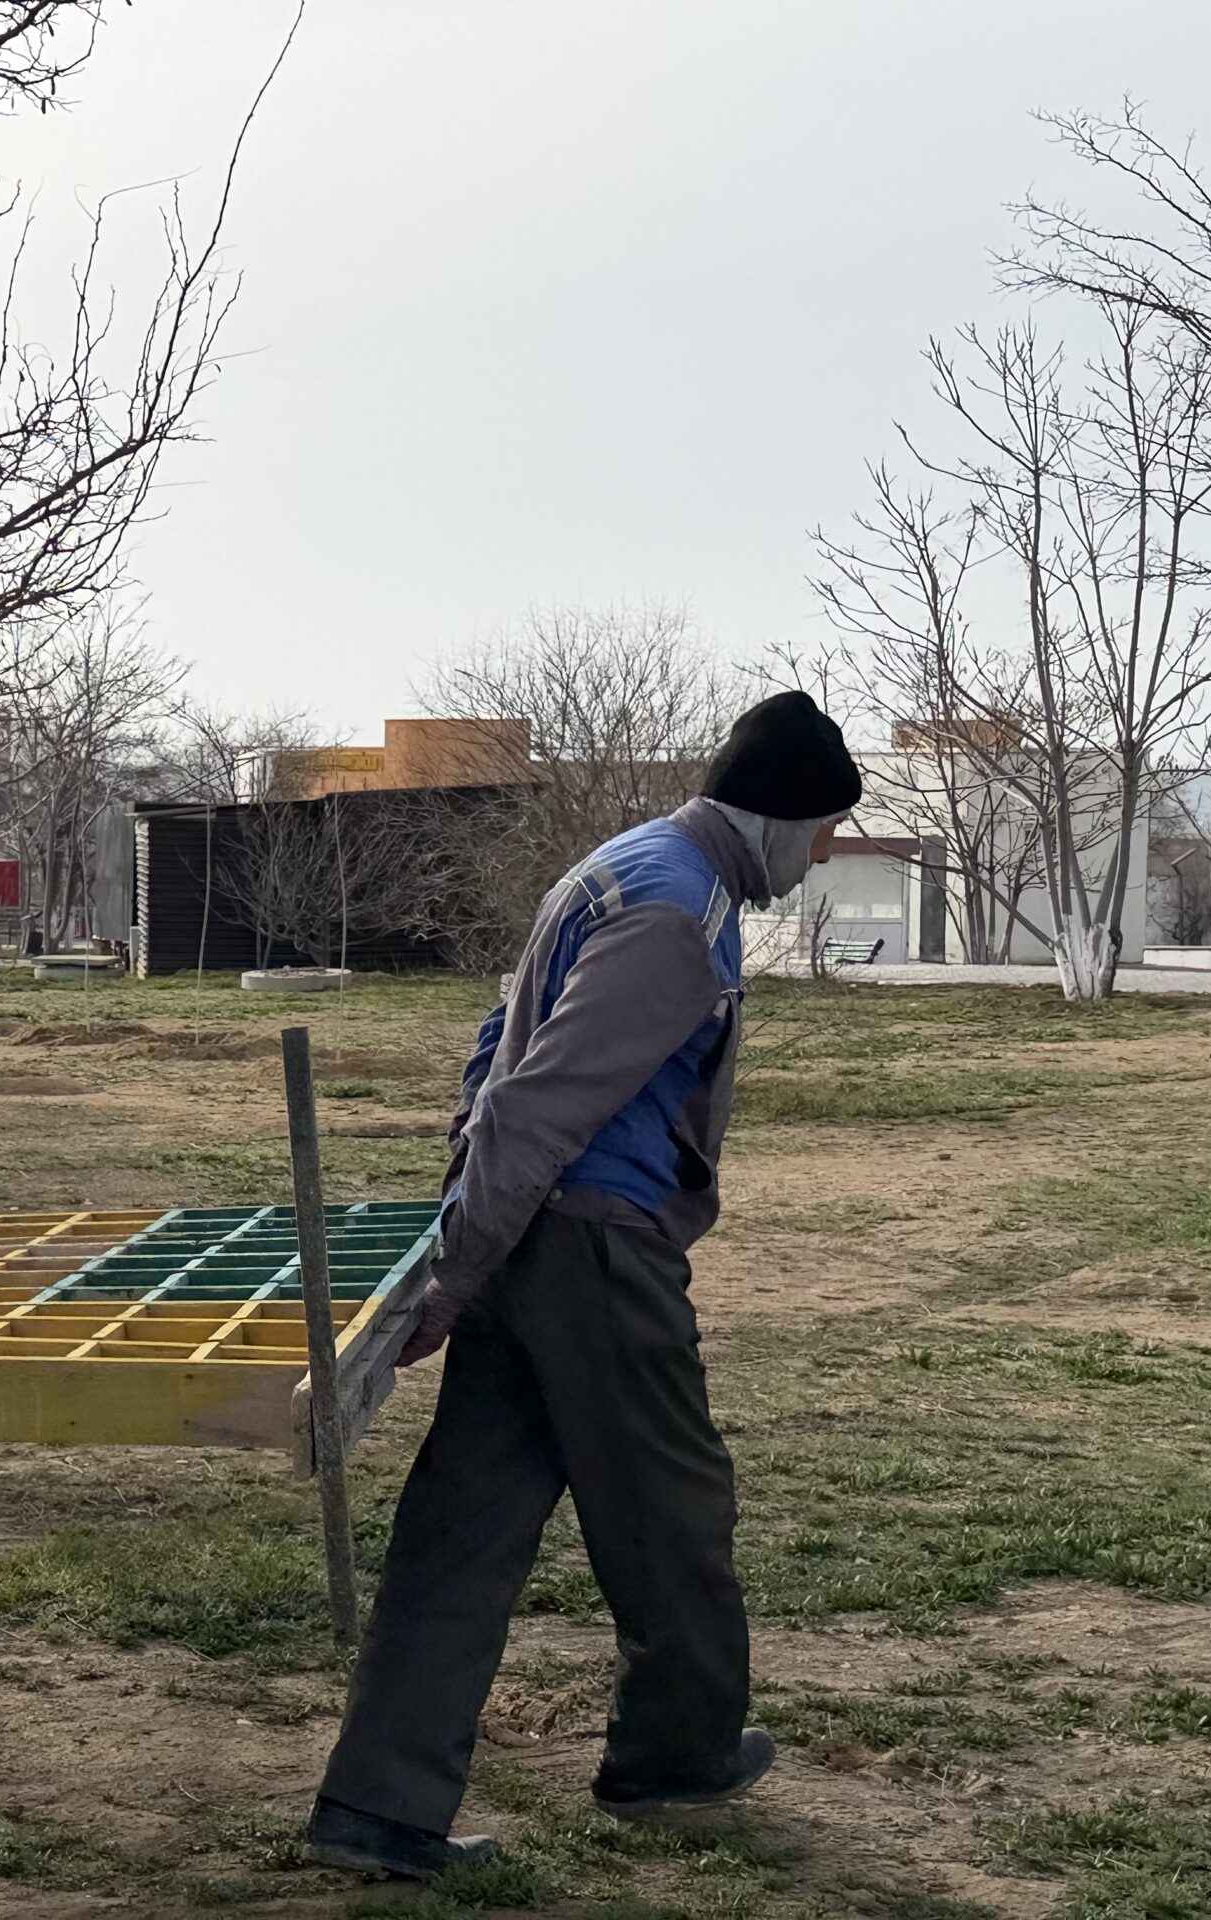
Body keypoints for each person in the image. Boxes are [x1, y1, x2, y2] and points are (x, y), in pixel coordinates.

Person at [302, 691, 863, 1881]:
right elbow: (537, 1102)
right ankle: (672, 1758)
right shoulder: (675, 917)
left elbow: (493, 1048)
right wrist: (454, 1271)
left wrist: (472, 1235)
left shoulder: (620, 865)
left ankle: (378, 1808)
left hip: (526, 1237)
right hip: (593, 1252)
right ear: (775, 818)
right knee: (672, 1507)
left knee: (465, 1528)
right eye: (820, 832)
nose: (819, 857)